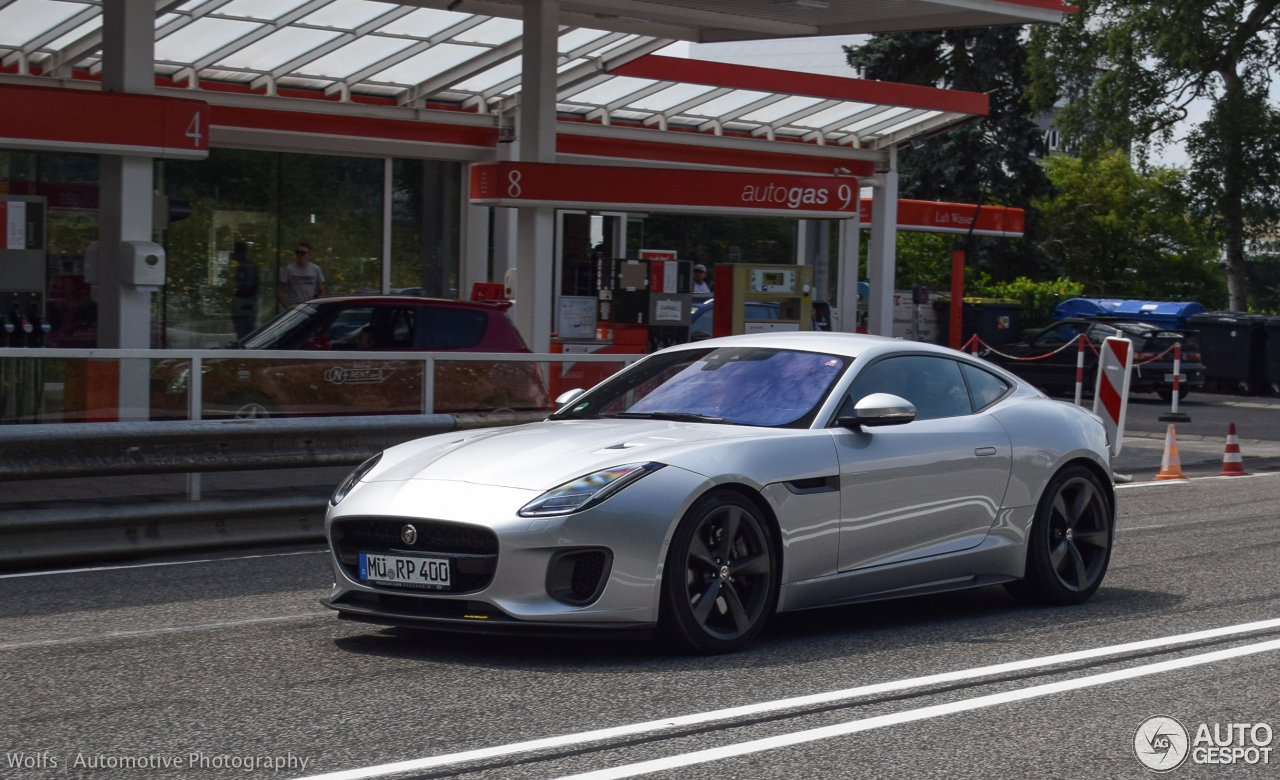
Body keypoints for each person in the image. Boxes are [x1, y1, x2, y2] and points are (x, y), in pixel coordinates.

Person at [276, 243, 325, 308]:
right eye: (297, 252)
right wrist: (287, 307)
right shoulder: (289, 269)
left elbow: (321, 290)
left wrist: (317, 305)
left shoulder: (315, 269)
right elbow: (279, 290)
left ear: (309, 254)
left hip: (309, 306)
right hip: (294, 306)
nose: (299, 255)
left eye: (302, 253)